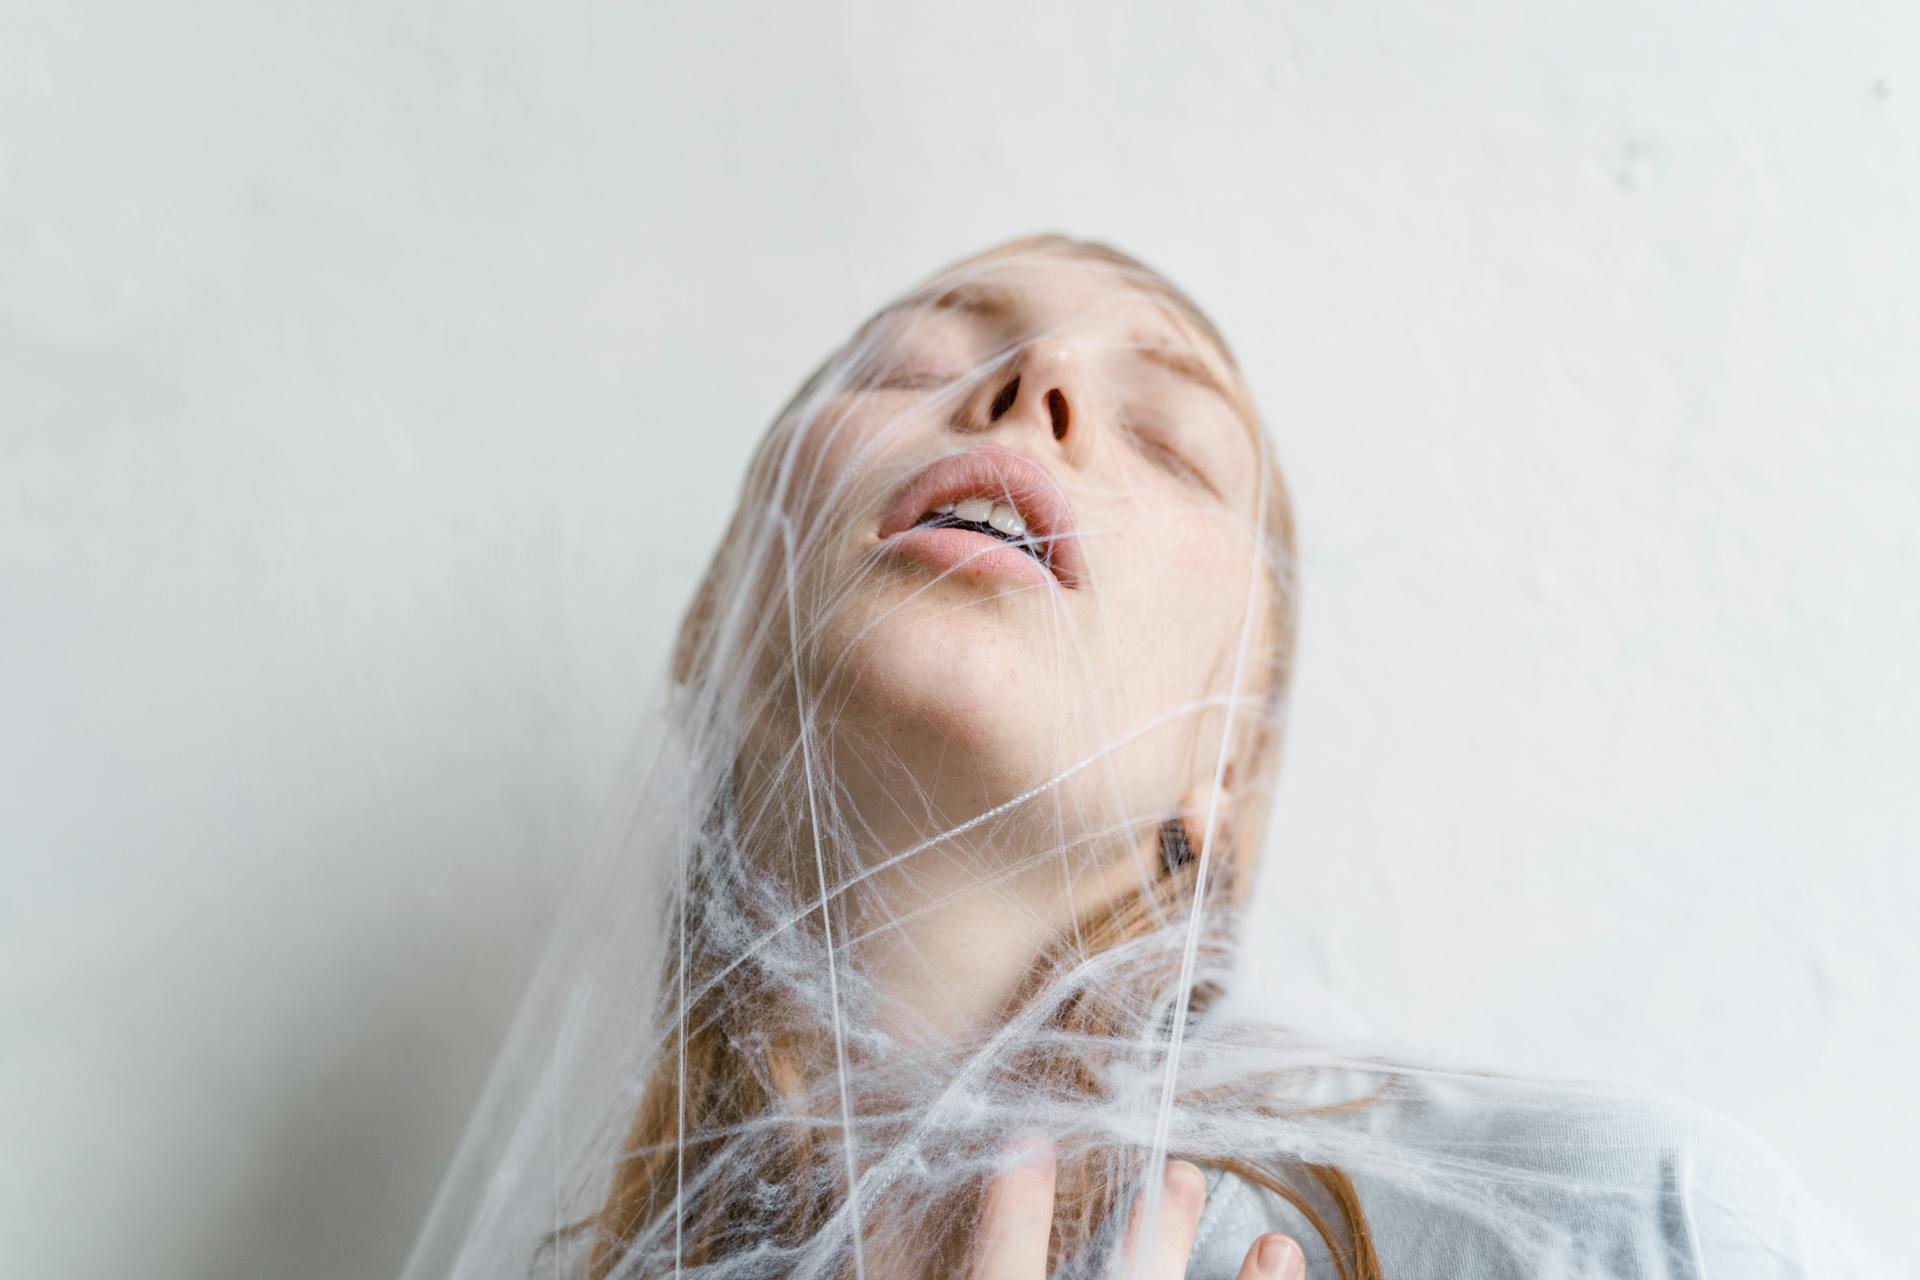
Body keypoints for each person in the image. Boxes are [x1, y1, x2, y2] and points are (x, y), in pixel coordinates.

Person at [399, 236, 1888, 1280]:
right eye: (909, 362)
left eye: (1171, 441)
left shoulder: (1631, 1235)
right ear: (718, 618)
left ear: (1220, 781)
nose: (1036, 378)